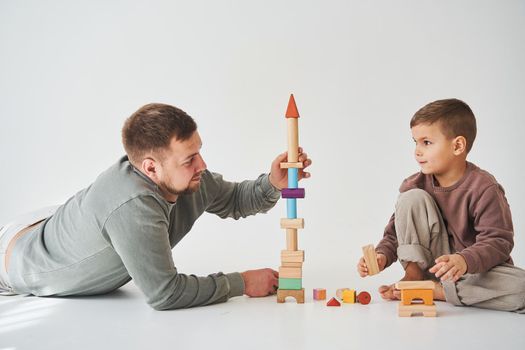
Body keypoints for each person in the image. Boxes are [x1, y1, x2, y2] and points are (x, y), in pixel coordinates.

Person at [0, 103, 312, 310]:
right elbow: (165, 293)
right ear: (150, 168)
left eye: (198, 152)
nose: (202, 165)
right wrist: (241, 282)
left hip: (53, 222)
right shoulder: (134, 207)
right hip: (18, 260)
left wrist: (273, 182)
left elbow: (236, 199)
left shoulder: (188, 178)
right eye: (189, 160)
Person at [357, 98, 525, 313]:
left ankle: (439, 291)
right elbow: (394, 235)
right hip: (432, 264)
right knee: (411, 198)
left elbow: (499, 241)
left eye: (426, 142)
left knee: (521, 288)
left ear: (457, 146)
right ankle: (415, 276)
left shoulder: (484, 187)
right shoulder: (414, 184)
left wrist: (464, 260)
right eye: (415, 142)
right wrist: (381, 256)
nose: (417, 151)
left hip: (474, 270)